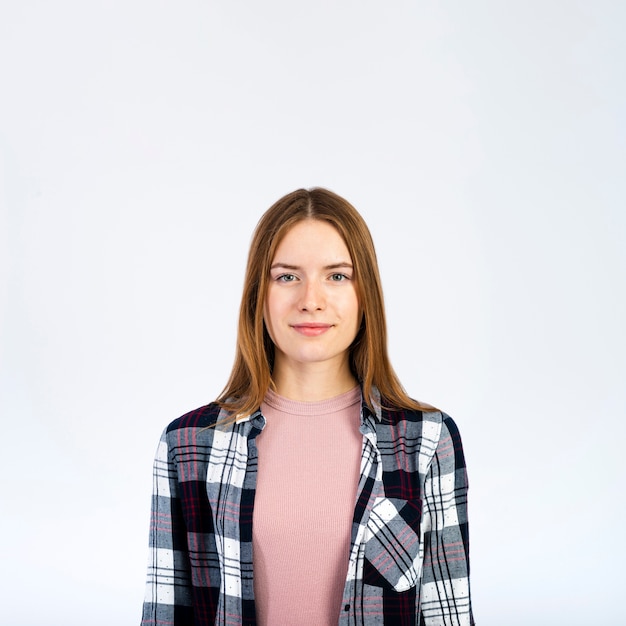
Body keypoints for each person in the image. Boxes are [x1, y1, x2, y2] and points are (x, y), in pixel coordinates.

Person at [141, 188, 474, 626]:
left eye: (337, 276)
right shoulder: (189, 445)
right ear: (259, 294)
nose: (311, 299)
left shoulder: (426, 441)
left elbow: (447, 614)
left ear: (364, 294)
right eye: (287, 276)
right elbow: (166, 615)